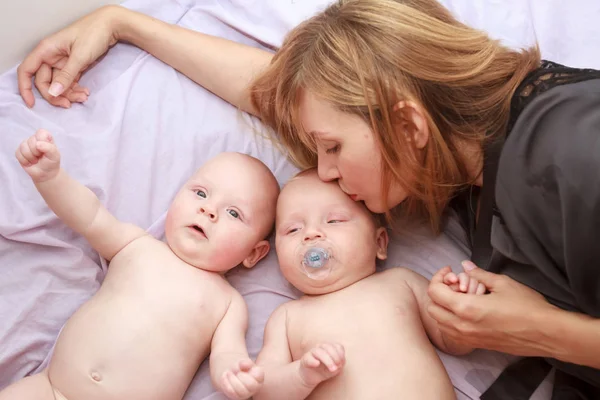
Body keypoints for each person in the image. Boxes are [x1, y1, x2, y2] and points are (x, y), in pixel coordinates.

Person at [16, 0, 600, 398]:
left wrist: (544, 330)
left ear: (407, 126)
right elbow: (274, 94)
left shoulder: (576, 150)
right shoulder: (459, 150)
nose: (322, 170)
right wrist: (126, 23)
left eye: (332, 148)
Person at [2, 129, 280, 400]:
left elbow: (227, 352)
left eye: (233, 212)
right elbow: (89, 214)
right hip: (50, 388)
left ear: (254, 253)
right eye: (200, 193)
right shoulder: (137, 245)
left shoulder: (228, 303)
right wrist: (50, 177)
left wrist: (233, 373)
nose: (208, 210)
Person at [254, 169, 476, 400]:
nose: (311, 234)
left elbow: (454, 342)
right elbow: (263, 392)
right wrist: (300, 376)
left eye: (333, 220)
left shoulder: (401, 282)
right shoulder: (287, 318)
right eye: (293, 229)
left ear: (379, 243)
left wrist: (462, 305)